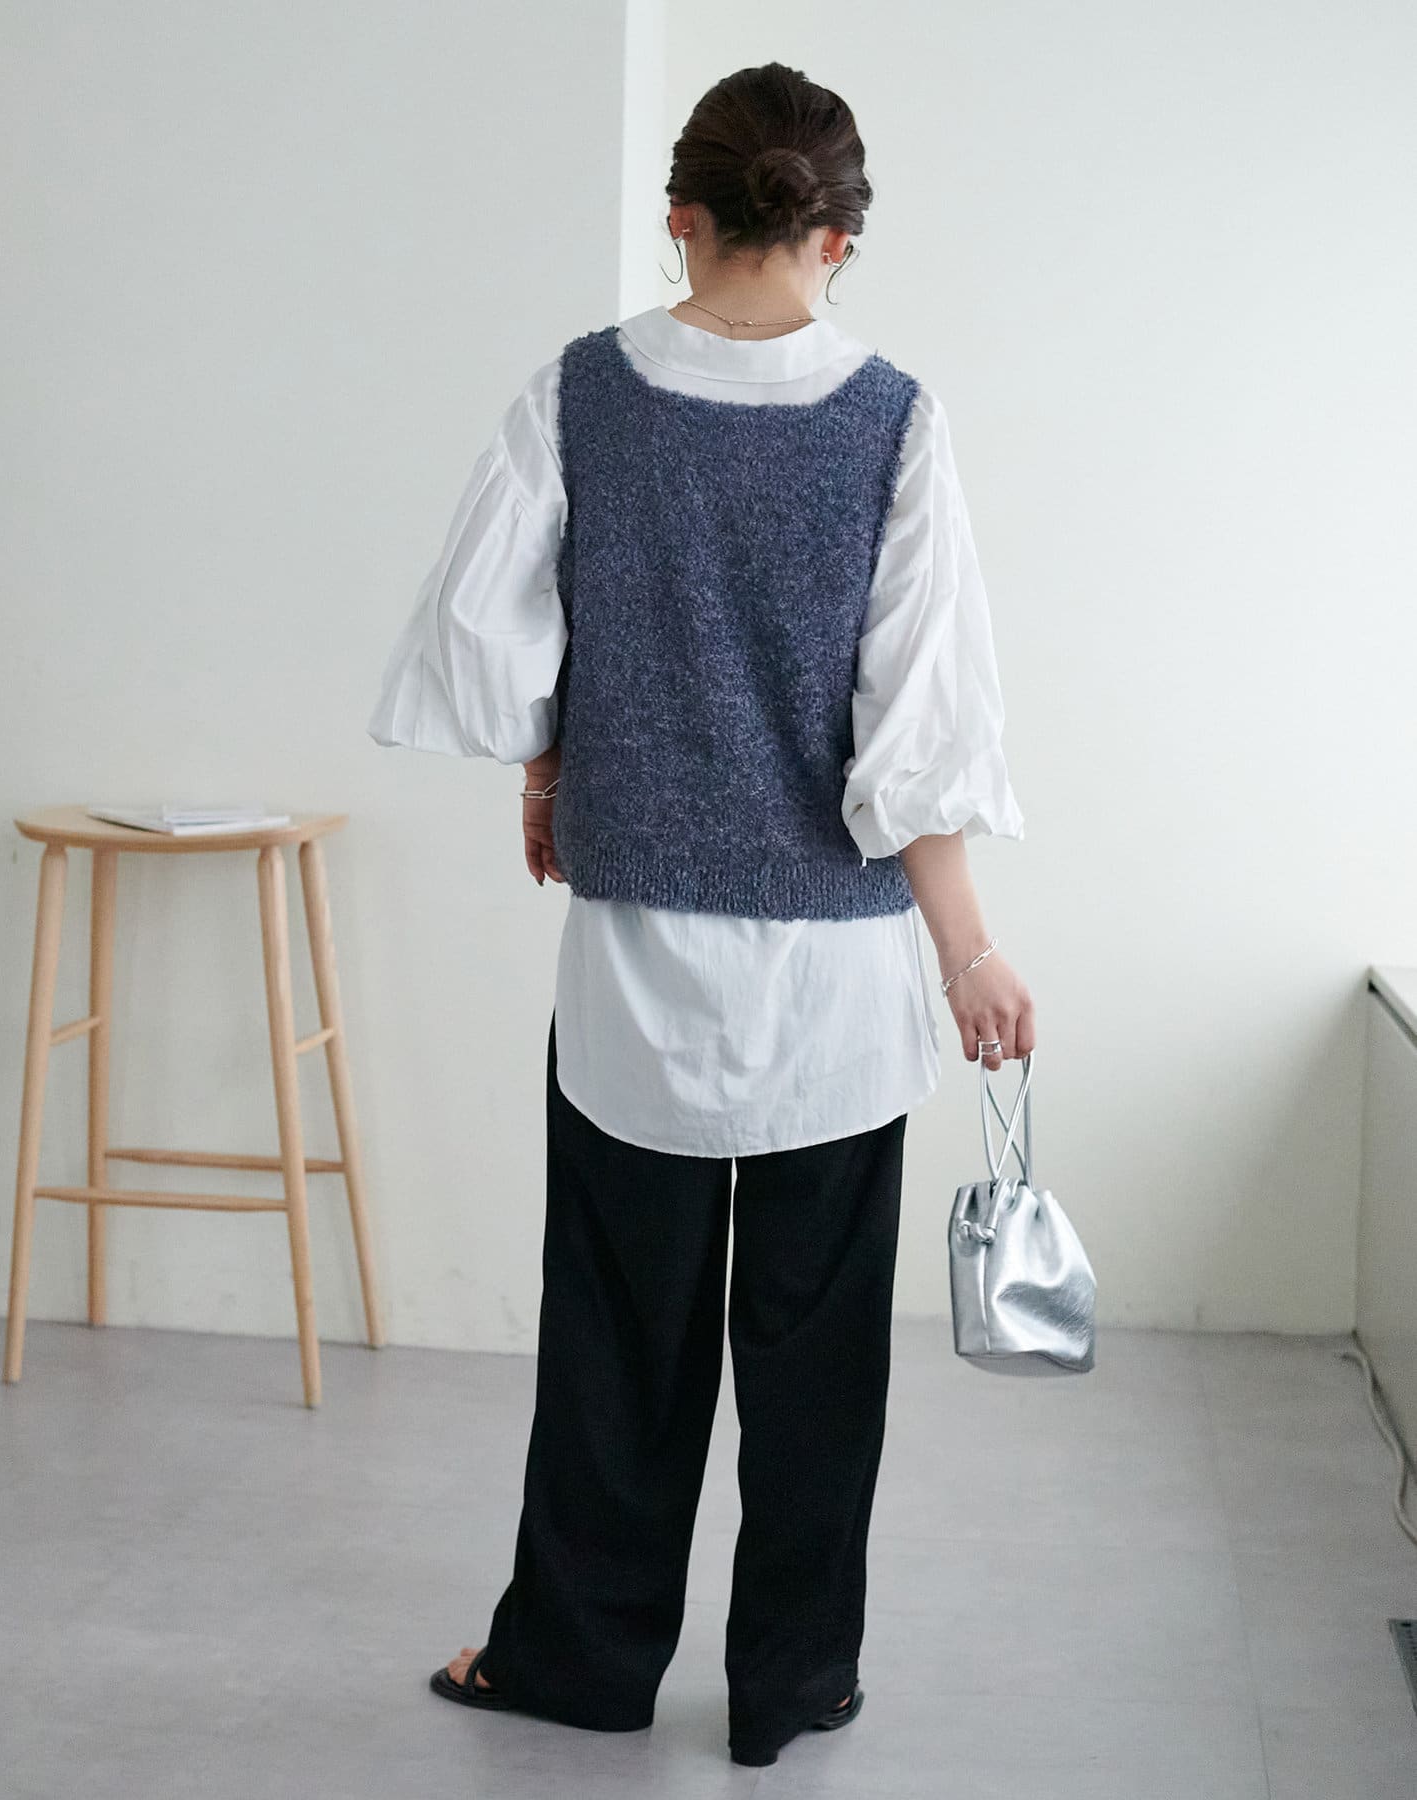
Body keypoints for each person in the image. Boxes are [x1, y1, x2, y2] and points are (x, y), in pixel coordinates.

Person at [367, 59, 1034, 1770]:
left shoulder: (581, 393)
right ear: (839, 237)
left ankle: (578, 1660)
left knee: (616, 1340)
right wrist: (969, 951)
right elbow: (917, 731)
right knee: (819, 1362)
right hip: (839, 984)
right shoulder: (894, 419)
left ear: (680, 217)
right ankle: (794, 1685)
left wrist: (551, 764)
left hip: (636, 971)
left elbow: (489, 636)